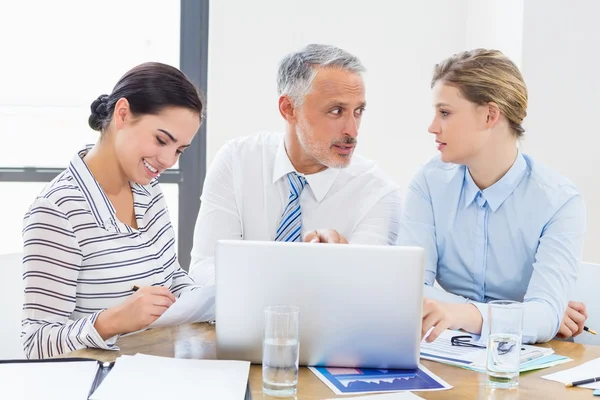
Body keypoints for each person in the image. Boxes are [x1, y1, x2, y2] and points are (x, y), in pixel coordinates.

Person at [399, 49, 587, 344]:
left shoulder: (560, 202)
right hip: (446, 359)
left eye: (445, 112)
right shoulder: (428, 184)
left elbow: (544, 317)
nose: (432, 127)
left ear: (490, 115)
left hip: (523, 371)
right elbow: (406, 290)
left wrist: (458, 313)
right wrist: (523, 316)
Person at [21, 62, 207, 359]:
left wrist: (206, 300)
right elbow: (36, 342)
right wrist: (114, 320)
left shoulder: (149, 190)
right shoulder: (57, 211)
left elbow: (170, 274)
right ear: (123, 114)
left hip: (158, 368)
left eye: (179, 150)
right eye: (161, 140)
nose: (169, 160)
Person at [189, 44, 402, 286]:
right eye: (336, 111)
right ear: (288, 109)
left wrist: (344, 265)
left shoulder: (379, 194)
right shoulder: (236, 161)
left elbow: (364, 291)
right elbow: (205, 268)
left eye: (358, 111)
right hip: (240, 323)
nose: (352, 130)